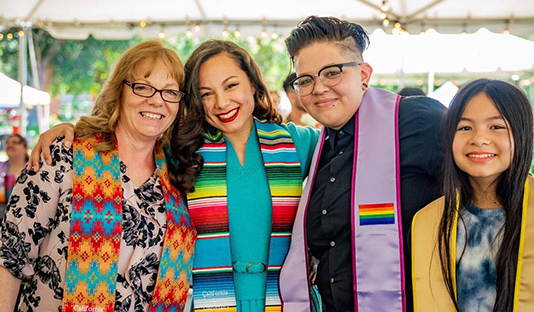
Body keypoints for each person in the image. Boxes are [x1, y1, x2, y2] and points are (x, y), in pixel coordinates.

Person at [27, 40, 320, 311]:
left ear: (253, 84)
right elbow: (126, 138)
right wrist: (69, 130)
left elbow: (352, 147)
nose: (221, 102)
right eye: (206, 94)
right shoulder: (182, 150)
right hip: (210, 301)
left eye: (231, 85)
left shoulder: (297, 144)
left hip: (286, 301)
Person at [0, 40, 197, 311]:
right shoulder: (64, 155)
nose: (156, 100)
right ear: (119, 91)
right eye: (142, 87)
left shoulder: (178, 175)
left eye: (170, 92)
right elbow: (8, 256)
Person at [279, 16, 446, 311]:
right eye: (305, 80)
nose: (318, 88)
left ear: (364, 74)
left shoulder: (414, 121)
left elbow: (497, 179)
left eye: (331, 73)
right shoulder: (320, 151)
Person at [412, 79, 534, 311]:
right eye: (465, 127)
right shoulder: (428, 221)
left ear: (522, 135)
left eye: (496, 127)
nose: (478, 138)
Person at [0, 134, 29, 204]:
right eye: (7, 143)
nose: (10, 145)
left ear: (25, 148)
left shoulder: (33, 168)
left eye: (15, 142)